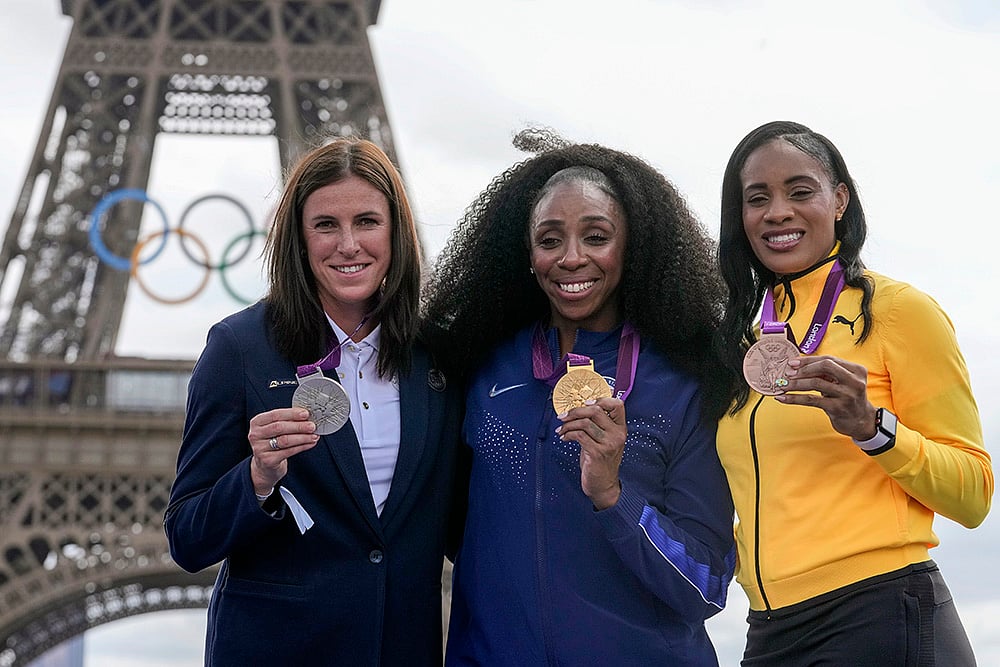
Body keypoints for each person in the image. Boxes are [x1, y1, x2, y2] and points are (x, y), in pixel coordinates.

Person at [422, 128, 736, 666]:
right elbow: (457, 529)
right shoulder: (482, 369)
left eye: (596, 236)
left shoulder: (684, 384)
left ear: (630, 247)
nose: (571, 258)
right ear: (526, 254)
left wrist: (614, 496)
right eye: (549, 239)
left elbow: (704, 586)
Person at [164, 137, 464, 666]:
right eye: (326, 225)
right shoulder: (240, 349)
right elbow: (188, 539)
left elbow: (464, 525)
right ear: (299, 241)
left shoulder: (437, 355)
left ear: (397, 232)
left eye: (368, 221)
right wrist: (256, 478)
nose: (348, 244)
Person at [714, 120, 993, 665]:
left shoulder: (901, 311)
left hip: (882, 612)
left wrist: (873, 428)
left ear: (839, 199)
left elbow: (975, 494)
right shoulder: (740, 342)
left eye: (800, 191)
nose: (777, 212)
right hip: (769, 630)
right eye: (757, 199)